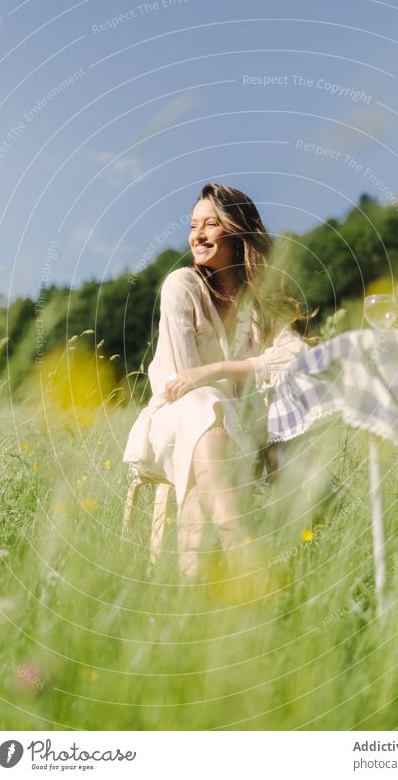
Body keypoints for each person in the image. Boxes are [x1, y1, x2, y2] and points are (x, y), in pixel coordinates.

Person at [122, 182, 310, 581]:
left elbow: (295, 355)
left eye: (211, 224)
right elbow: (180, 387)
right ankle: (239, 544)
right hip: (174, 421)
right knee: (204, 409)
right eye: (193, 225)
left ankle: (189, 602)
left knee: (211, 432)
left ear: (238, 233)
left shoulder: (259, 303)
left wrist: (218, 370)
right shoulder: (181, 286)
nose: (198, 235)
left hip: (232, 433)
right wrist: (215, 383)